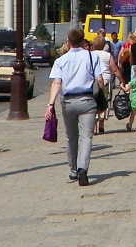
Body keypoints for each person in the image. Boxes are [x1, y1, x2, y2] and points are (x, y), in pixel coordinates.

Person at [44, 29, 105, 187]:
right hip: (87, 100)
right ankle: (82, 168)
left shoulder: (61, 60)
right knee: (86, 136)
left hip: (68, 102)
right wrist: (102, 99)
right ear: (83, 41)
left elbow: (57, 83)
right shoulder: (92, 56)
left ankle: (73, 170)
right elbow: (100, 80)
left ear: (68, 41)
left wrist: (50, 104)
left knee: (71, 136)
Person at [92, 33, 127, 134]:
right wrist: (121, 80)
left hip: (94, 81)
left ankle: (94, 126)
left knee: (93, 103)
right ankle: (101, 124)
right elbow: (114, 69)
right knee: (104, 101)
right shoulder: (107, 55)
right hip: (106, 80)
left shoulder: (91, 55)